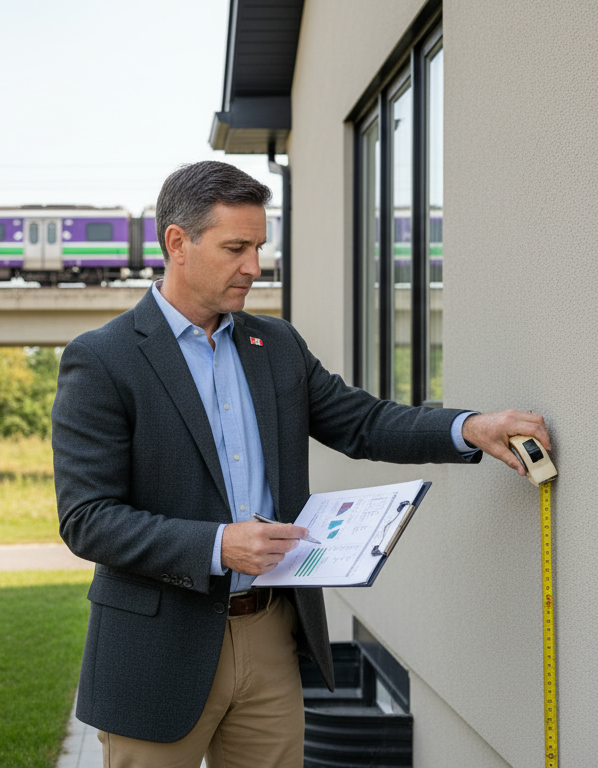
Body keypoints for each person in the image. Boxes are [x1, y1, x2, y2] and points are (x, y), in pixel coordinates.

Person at [50, 161, 550, 767]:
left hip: (271, 635)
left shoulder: (277, 345)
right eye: (237, 247)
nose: (254, 268)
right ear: (177, 243)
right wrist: (218, 545)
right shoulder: (102, 360)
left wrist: (469, 427)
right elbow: (88, 518)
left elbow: (363, 421)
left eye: (259, 247)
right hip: (158, 651)